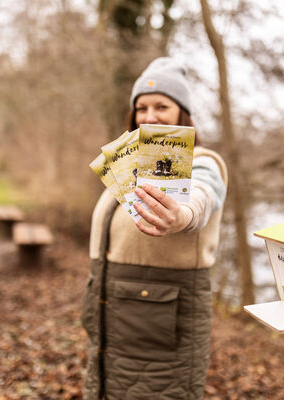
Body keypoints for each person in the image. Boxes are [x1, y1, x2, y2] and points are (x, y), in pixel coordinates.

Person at [81, 57, 228, 400]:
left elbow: (203, 195)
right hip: (110, 322)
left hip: (160, 330)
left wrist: (183, 215)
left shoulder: (203, 162)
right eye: (141, 107)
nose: (149, 116)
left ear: (182, 114)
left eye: (162, 106)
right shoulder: (126, 166)